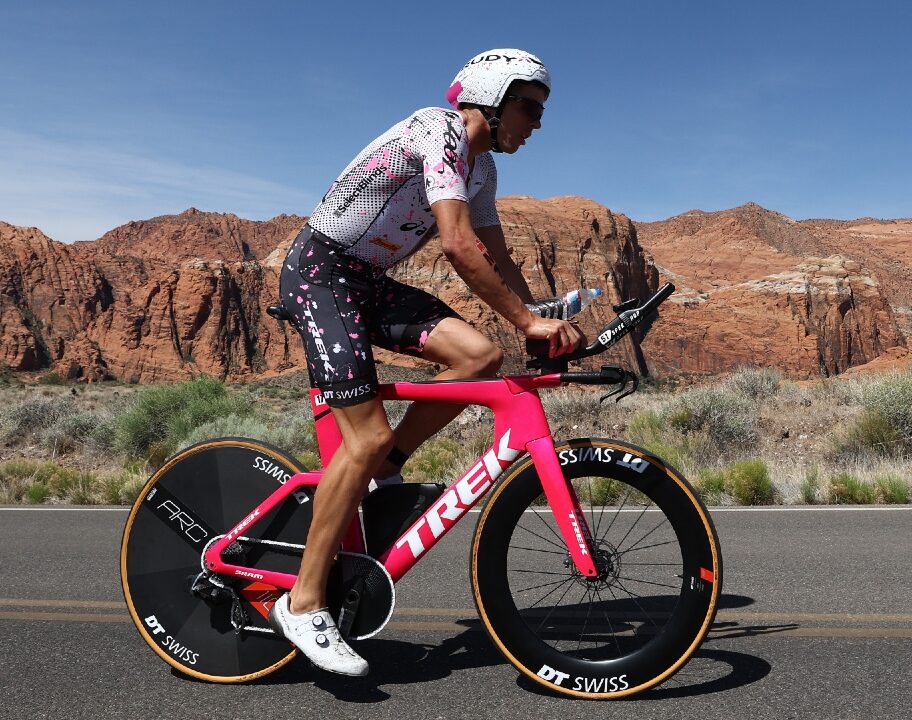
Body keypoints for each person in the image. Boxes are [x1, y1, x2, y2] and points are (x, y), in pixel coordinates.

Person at [269, 48, 584, 676]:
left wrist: (537, 316)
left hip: (369, 281)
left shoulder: (483, 171)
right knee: (360, 438)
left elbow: (495, 256)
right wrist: (526, 318)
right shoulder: (434, 130)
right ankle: (302, 603)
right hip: (321, 275)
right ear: (493, 100)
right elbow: (458, 245)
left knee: (480, 356)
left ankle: (385, 469)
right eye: (530, 107)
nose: (537, 123)